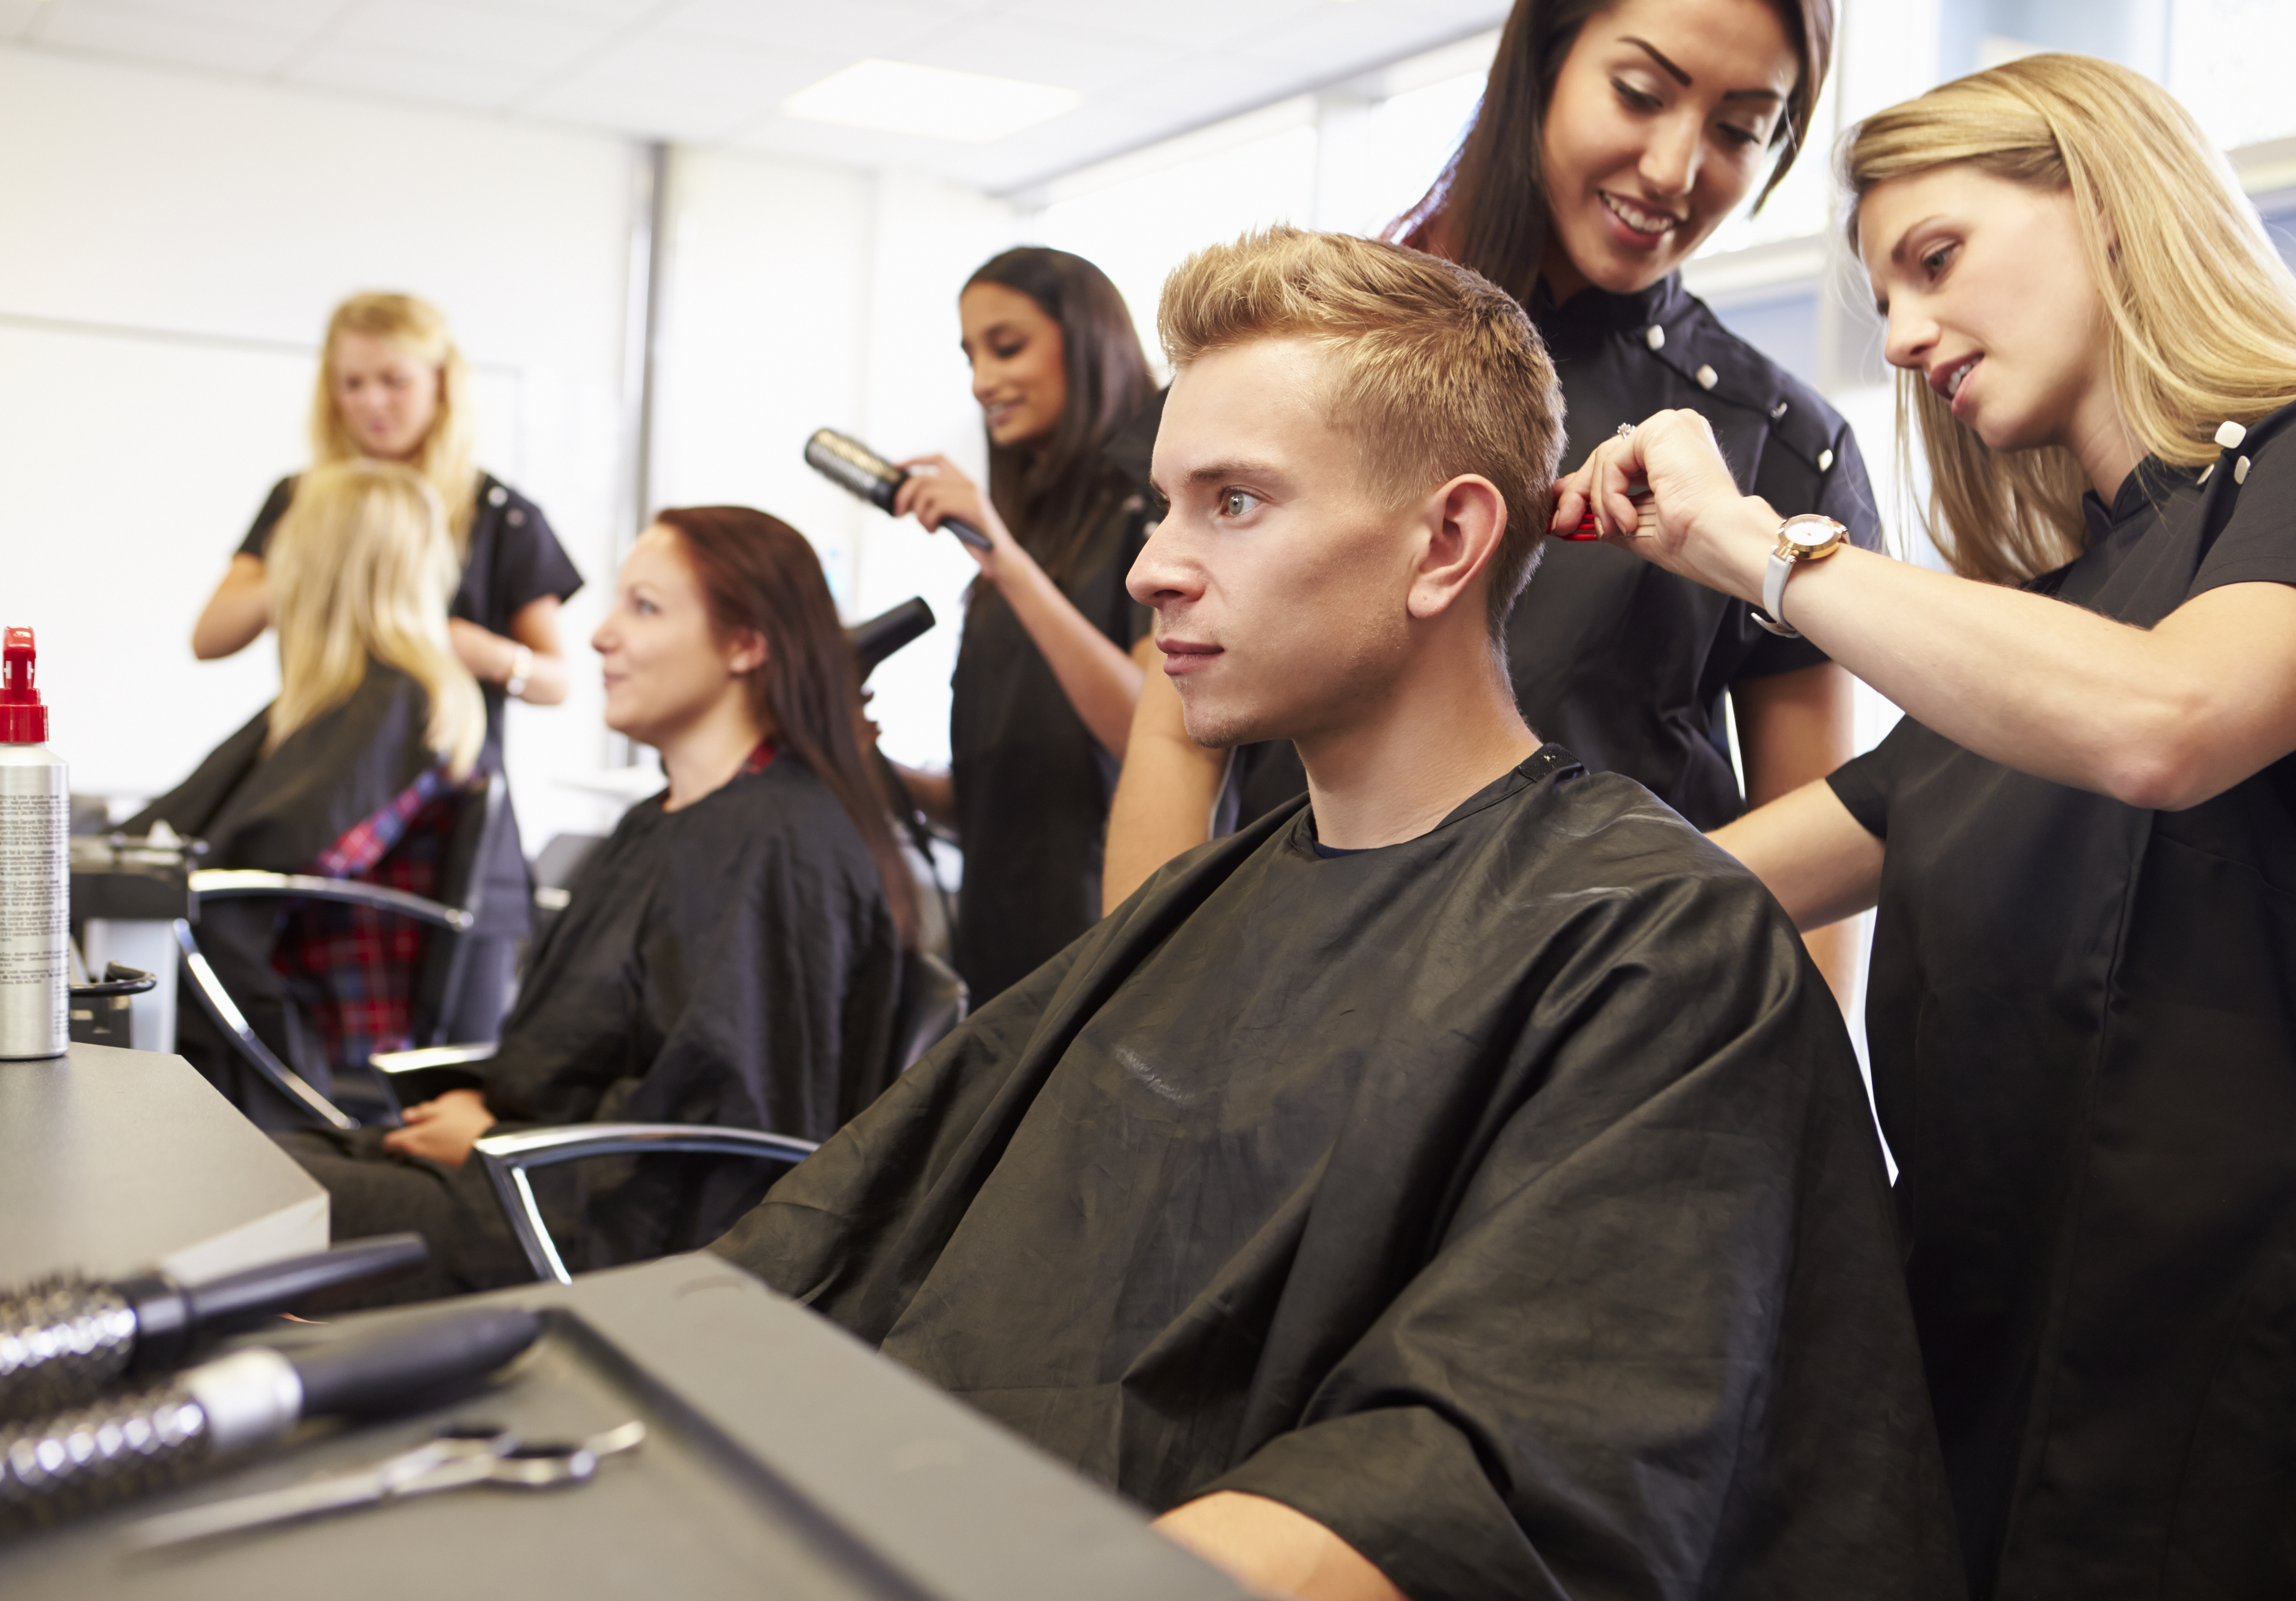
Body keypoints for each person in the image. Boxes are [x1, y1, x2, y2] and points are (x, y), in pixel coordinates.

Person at [708, 230, 1963, 1601]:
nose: (1153, 573)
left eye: (1234, 505)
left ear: (1447, 543)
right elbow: (834, 1245)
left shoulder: (1651, 954)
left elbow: (1477, 1487)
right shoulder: (1206, 903)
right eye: (1165, 511)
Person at [1553, 54, 2296, 1597]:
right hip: (1977, 1409)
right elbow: (1704, 888)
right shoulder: (2029, 641)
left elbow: (2168, 722)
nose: (1898, 338)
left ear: (2102, 201)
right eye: (1881, 292)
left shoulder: (2274, 496)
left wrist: (1756, 551)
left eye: (1934, 261)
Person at [1100, 0, 1870, 999]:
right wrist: (1138, 1017)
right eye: (1640, 95)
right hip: (1291, 983)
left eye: (1739, 131)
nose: (1677, 169)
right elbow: (1174, 724)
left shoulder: (1782, 442)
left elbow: (1824, 833)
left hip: (1607, 1024)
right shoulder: (1308, 357)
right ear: (1542, 66)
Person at [278, 506, 908, 1304]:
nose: (602, 636)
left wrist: (502, 1141)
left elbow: (724, 1134)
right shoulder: (666, 819)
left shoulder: (772, 843)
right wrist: (489, 1105)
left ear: (748, 644)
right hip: (533, 1175)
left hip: (595, 1229)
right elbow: (585, 1050)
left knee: (242, 1201)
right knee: (246, 1162)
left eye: (644, 608)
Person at [192, 292, 582, 1036]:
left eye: (393, 380)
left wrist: (479, 651)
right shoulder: (300, 502)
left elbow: (559, 681)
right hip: (330, 804)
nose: (372, 402)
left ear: (441, 383)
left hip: (429, 818)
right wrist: (327, 546)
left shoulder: (500, 514)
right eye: (352, 382)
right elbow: (210, 635)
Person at [131, 460, 486, 1117]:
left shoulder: (394, 701)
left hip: (323, 1025)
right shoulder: (335, 700)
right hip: (292, 995)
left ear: (316, 562)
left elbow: (270, 860)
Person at [885, 248, 1156, 1002]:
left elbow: (1150, 732)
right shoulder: (1025, 547)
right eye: (971, 357)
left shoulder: (1152, 515)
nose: (982, 383)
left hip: (1101, 951)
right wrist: (880, 773)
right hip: (999, 953)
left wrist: (1004, 560)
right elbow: (987, 803)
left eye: (1007, 348)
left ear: (1089, 340)